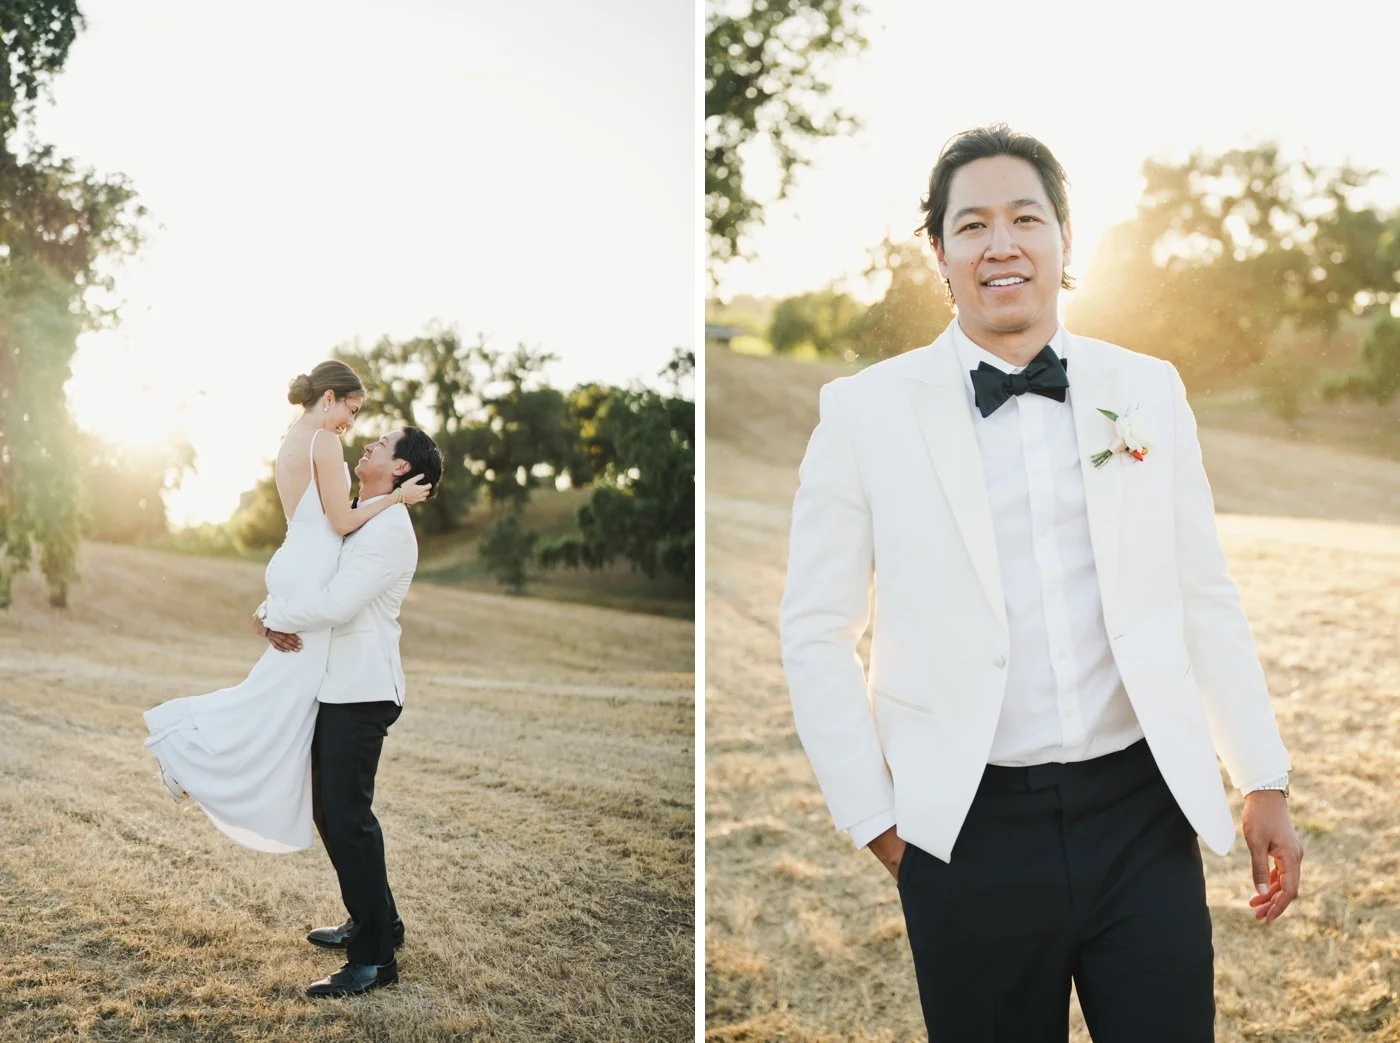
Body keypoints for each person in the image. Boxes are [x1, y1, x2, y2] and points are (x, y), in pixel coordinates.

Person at [778, 124, 1304, 1042]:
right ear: (939, 253)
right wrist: (877, 822)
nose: (1002, 243)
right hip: (967, 831)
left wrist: (1261, 776)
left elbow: (1201, 591)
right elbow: (816, 631)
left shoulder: (1147, 389)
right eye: (971, 224)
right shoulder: (864, 412)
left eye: (1026, 217)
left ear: (1065, 239)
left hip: (1143, 816)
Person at [253, 424, 442, 997]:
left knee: (348, 816)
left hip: (362, 691)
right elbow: (312, 576)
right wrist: (269, 609)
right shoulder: (361, 513)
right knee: (332, 811)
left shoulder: (388, 530)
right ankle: (377, 920)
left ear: (403, 469)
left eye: (382, 443)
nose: (368, 443)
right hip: (335, 687)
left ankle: (374, 960)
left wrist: (277, 618)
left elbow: (335, 604)